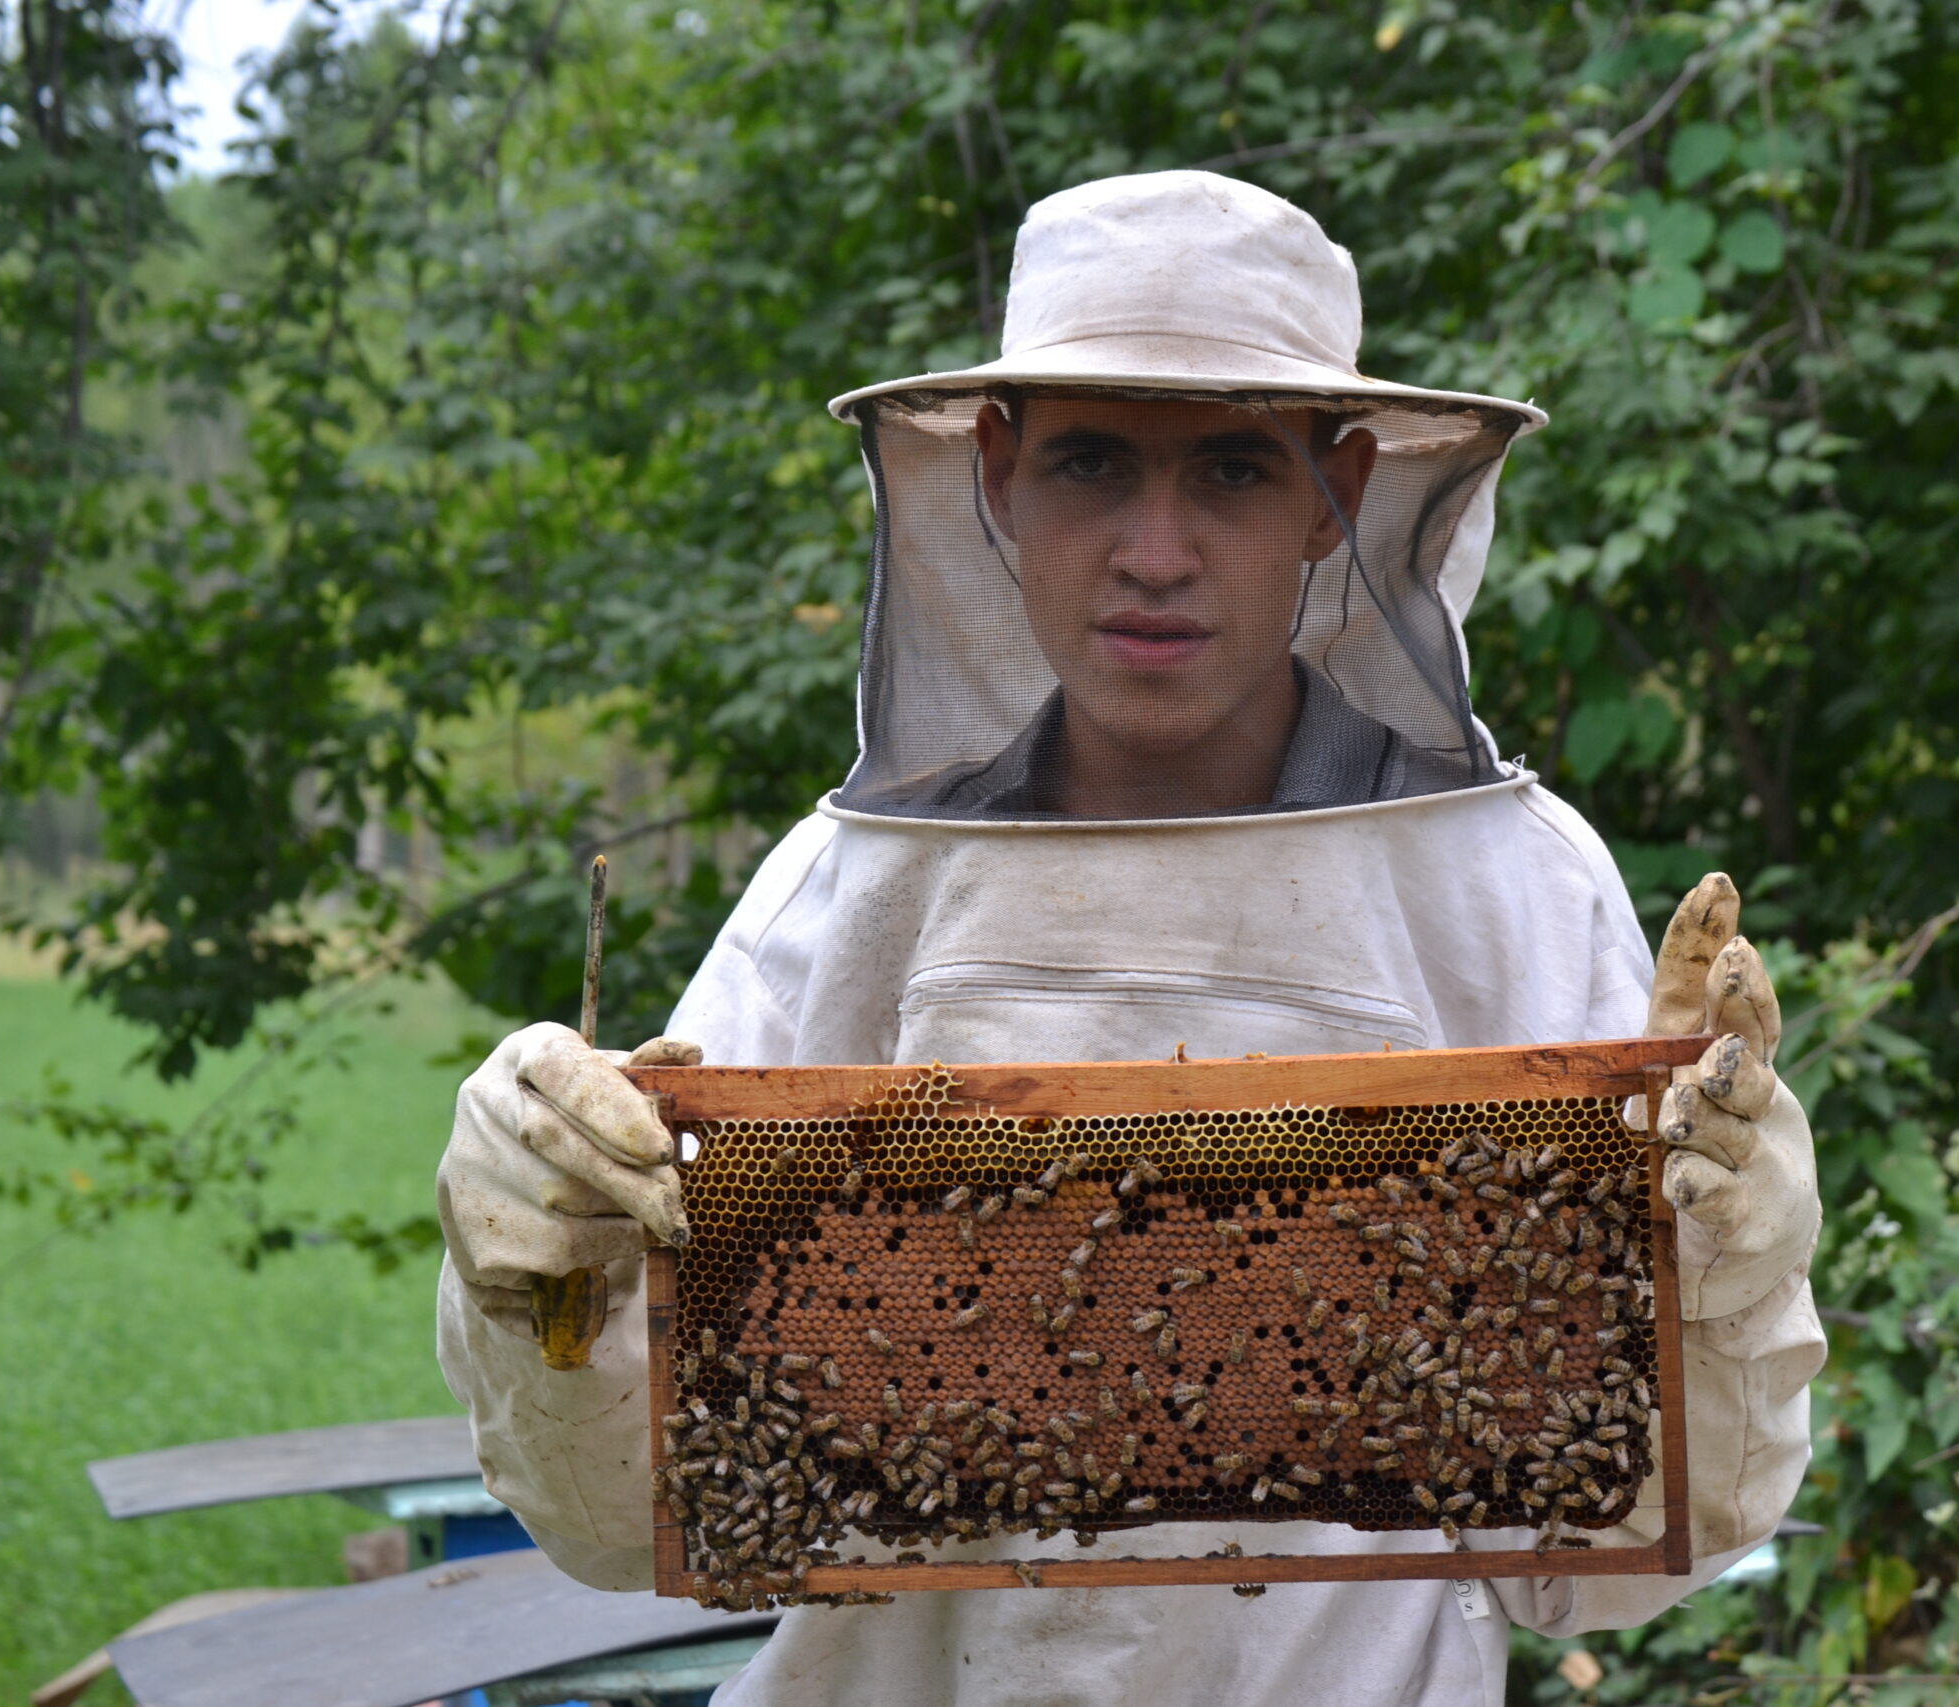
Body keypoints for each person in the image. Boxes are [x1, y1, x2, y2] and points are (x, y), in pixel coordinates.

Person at [436, 169, 1825, 1707]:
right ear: (997, 477)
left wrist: (1726, 1284)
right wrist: (541, 1276)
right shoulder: (857, 890)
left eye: (1232, 471)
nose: (1154, 551)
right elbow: (626, 1516)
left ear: (1338, 494)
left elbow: (1608, 1552)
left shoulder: (1503, 884)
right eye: (1094, 464)